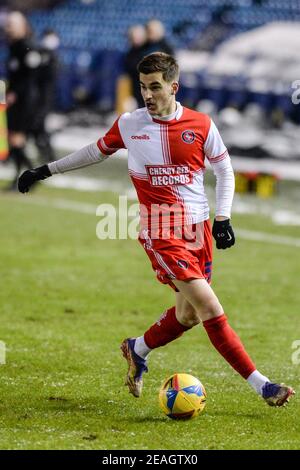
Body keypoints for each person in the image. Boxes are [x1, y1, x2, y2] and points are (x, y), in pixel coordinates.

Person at [18, 52, 294, 407]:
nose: (147, 95)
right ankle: (263, 386)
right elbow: (94, 151)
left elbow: (225, 170)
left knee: (187, 314)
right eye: (143, 87)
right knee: (209, 307)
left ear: (173, 87)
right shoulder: (130, 124)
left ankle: (138, 348)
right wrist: (45, 170)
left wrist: (222, 218)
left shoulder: (201, 124)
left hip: (198, 231)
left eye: (155, 87)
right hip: (161, 230)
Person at [4, 11, 40, 190]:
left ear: (23, 26)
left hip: (25, 101)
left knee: (17, 139)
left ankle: (25, 178)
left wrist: (15, 94)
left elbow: (30, 79)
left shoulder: (28, 47)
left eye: (12, 24)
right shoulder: (13, 46)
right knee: (14, 140)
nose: (8, 27)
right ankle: (29, 176)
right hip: (15, 100)